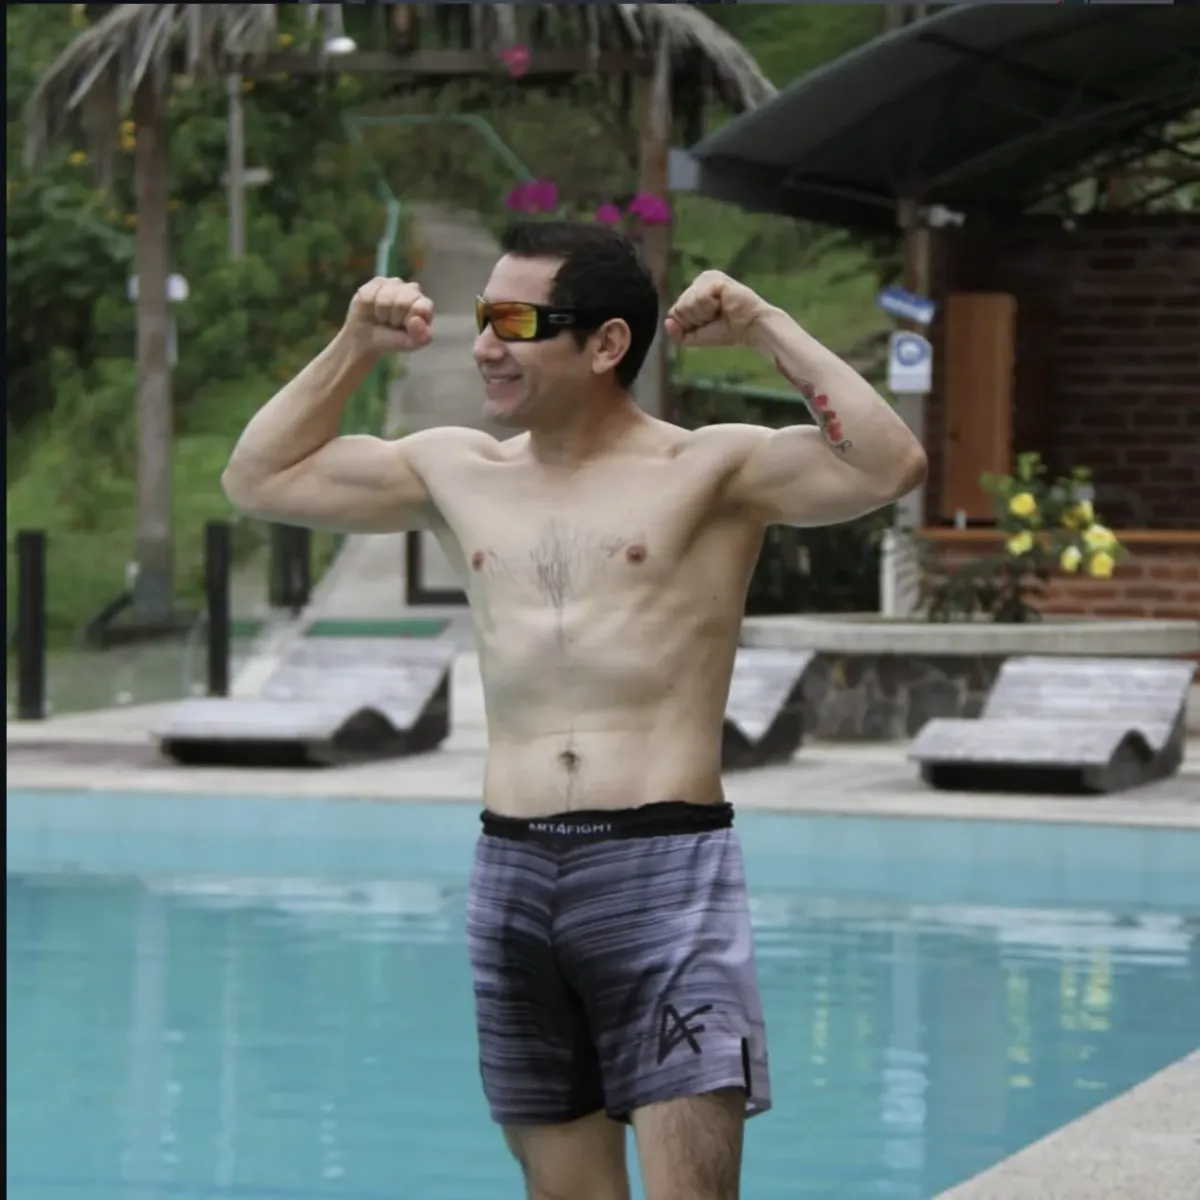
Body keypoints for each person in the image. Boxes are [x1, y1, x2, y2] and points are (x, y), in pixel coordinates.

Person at [222, 220, 927, 1200]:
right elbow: (256, 478)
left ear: (606, 344)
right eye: (484, 317)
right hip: (512, 869)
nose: (485, 345)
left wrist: (766, 324)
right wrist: (352, 346)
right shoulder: (455, 469)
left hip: (660, 862)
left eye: (516, 322)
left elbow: (886, 465)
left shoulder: (709, 470)